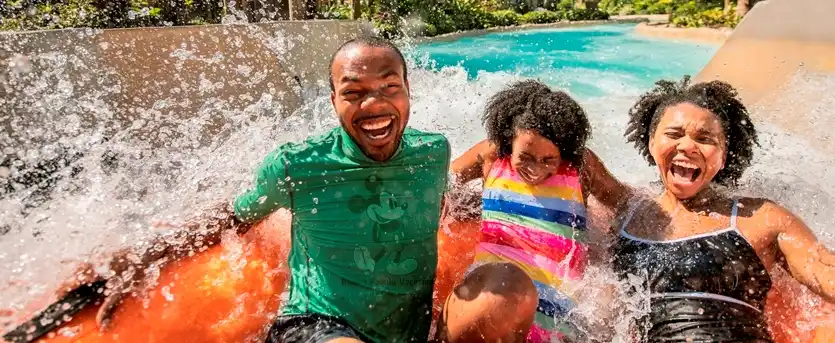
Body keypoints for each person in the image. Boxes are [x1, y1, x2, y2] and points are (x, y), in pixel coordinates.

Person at [58, 36, 452, 343]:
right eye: (352, 92)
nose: (373, 103)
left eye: (389, 86)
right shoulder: (298, 165)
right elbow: (234, 217)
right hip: (314, 326)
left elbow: (453, 199)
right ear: (333, 101)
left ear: (407, 91)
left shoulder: (433, 152)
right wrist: (147, 258)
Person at [583, 76, 835, 342]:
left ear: (724, 156)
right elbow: (573, 154)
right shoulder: (628, 208)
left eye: (705, 138)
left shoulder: (759, 218)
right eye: (673, 134)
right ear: (651, 143)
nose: (687, 146)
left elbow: (820, 268)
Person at [434, 80, 615, 343]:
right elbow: (440, 185)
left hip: (554, 313)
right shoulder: (492, 155)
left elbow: (623, 202)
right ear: (508, 141)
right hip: (489, 296)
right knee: (504, 283)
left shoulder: (581, 166)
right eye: (526, 158)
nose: (536, 168)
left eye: (548, 160)